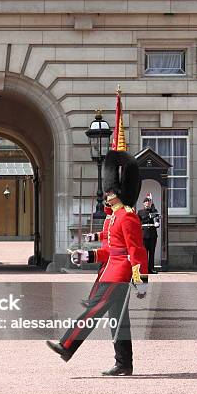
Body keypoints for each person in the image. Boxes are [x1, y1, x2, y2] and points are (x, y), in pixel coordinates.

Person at [46, 150, 148, 376]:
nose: (108, 194)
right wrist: (87, 256)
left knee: (93, 311)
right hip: (110, 270)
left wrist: (141, 280)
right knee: (119, 322)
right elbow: (108, 251)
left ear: (120, 192)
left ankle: (67, 345)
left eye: (111, 191)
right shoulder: (114, 218)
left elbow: (136, 251)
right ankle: (124, 364)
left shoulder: (128, 217)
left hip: (119, 274)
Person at [138, 194, 160, 274]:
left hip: (152, 234)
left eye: (149, 201)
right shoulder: (140, 212)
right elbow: (137, 223)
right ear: (144, 203)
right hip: (144, 234)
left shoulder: (154, 211)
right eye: (146, 202)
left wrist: (156, 222)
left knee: (152, 252)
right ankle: (144, 269)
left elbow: (157, 221)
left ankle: (151, 269)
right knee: (144, 253)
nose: (147, 203)